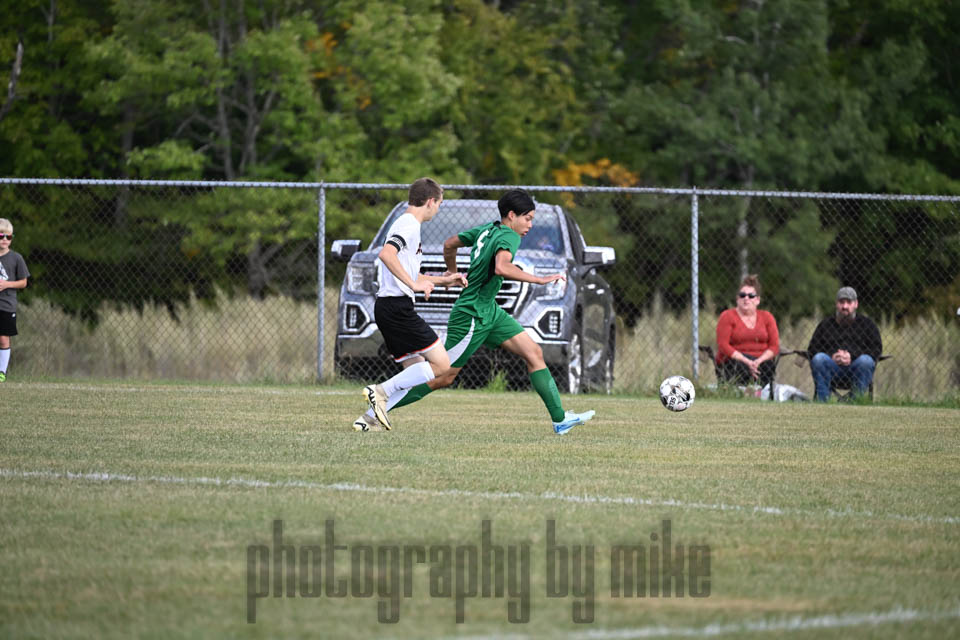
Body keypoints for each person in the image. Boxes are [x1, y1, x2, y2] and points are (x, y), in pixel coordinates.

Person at [366, 189, 595, 435]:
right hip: (472, 314)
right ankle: (374, 414)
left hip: (490, 311)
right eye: (527, 218)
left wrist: (451, 272)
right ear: (511, 215)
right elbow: (501, 268)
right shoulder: (510, 235)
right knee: (443, 376)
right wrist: (539, 280)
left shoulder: (488, 230)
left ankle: (560, 420)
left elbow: (449, 244)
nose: (530, 224)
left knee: (533, 352)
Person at [354, 178, 467, 432]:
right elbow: (386, 255)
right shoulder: (408, 225)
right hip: (397, 309)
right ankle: (379, 391)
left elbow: (409, 274)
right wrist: (415, 287)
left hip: (390, 308)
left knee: (415, 370)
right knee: (442, 364)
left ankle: (369, 419)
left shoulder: (407, 225)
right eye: (439, 204)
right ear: (430, 202)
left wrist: (443, 280)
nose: (437, 210)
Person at [807, 286, 882, 402]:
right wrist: (831, 355)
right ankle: (822, 403)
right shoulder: (825, 325)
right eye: (841, 302)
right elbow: (812, 349)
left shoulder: (867, 325)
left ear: (856, 304)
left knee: (866, 361)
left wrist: (852, 356)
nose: (845, 306)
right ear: (836, 304)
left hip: (856, 369)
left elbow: (876, 349)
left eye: (849, 302)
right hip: (831, 369)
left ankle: (856, 402)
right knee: (818, 359)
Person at [715, 274, 780, 390]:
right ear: (737, 299)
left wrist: (758, 361)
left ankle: (762, 394)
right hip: (736, 361)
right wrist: (747, 361)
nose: (746, 298)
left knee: (768, 366)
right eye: (742, 295)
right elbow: (723, 345)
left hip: (761, 361)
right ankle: (741, 392)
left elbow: (774, 346)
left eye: (751, 296)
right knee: (742, 366)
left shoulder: (767, 317)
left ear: (758, 300)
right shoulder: (727, 316)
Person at [0, 218, 30, 383]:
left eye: (8, 237)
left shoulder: (16, 258)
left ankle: (2, 372)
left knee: (4, 338)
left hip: (6, 305)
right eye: (1, 236)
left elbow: (23, 282)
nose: (5, 240)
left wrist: (6, 284)